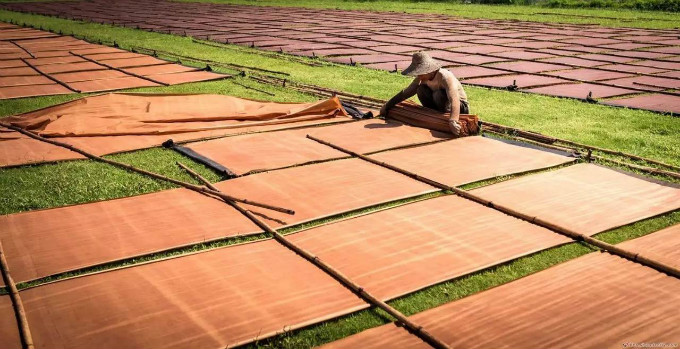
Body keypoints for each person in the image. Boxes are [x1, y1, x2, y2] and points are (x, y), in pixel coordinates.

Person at [380, 52, 469, 136]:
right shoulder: (422, 78)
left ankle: (442, 117)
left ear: (429, 70)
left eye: (420, 73)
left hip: (459, 107)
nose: (419, 76)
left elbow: (454, 99)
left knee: (438, 95)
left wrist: (453, 120)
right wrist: (387, 105)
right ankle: (434, 115)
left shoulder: (445, 76)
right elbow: (406, 92)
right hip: (440, 105)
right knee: (420, 89)